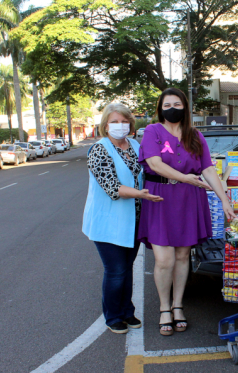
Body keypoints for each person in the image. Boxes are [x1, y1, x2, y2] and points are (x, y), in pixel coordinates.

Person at [138, 88, 237, 336]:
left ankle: (178, 305)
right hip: (160, 197)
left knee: (183, 257)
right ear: (160, 107)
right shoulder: (153, 131)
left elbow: (208, 169)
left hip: (188, 199)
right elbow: (154, 163)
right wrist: (185, 178)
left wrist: (224, 199)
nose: (172, 108)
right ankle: (164, 308)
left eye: (177, 104)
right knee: (164, 259)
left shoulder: (195, 135)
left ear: (185, 108)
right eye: (167, 104)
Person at [82, 103, 163, 334]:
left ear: (131, 124)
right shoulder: (99, 149)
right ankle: (113, 316)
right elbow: (112, 187)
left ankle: (127, 311)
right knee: (116, 271)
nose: (120, 126)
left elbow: (152, 170)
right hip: (108, 222)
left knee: (127, 269)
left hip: (133, 221)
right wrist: (142, 194)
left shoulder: (136, 145)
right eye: (114, 122)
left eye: (124, 121)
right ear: (105, 125)